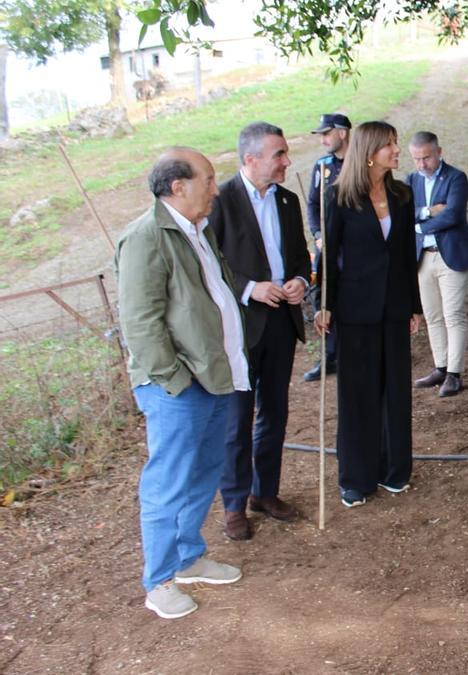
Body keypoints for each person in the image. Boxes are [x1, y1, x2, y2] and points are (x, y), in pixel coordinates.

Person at [115, 147, 247, 619]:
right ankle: (159, 581)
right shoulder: (147, 236)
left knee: (204, 471)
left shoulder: (196, 230)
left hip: (214, 376)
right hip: (178, 386)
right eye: (208, 180)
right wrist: (174, 379)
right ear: (178, 187)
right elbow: (140, 321)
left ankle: (188, 556)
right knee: (168, 482)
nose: (216, 188)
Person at [314, 121, 423, 507]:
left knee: (395, 392)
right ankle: (355, 479)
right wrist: (322, 303)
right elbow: (327, 255)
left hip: (394, 308)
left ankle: (394, 469)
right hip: (354, 310)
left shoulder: (403, 194)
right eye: (390, 145)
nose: (397, 151)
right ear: (370, 151)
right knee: (358, 394)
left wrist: (414, 305)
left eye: (396, 143)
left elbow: (406, 255)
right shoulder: (340, 196)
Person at [209, 121, 309, 540]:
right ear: (251, 160)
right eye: (279, 154)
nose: (287, 161)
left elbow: (301, 254)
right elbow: (209, 265)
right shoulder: (221, 201)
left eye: (285, 153)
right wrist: (250, 288)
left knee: (275, 411)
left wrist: (301, 281)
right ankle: (234, 505)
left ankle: (264, 492)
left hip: (282, 325)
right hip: (239, 330)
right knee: (237, 420)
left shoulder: (287, 200)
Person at [408, 131, 468, 397]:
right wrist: (426, 213)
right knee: (433, 316)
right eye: (416, 159)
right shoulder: (411, 180)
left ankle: (454, 373)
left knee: (453, 315)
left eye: (426, 157)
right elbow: (403, 212)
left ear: (439, 152)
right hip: (423, 257)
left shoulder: (456, 177)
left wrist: (415, 227)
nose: (421, 164)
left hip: (451, 254)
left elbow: (452, 215)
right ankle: (440, 366)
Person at [303, 113, 351, 382]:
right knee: (324, 294)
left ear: (342, 133)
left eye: (326, 134)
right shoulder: (322, 167)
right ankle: (330, 355)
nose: (323, 140)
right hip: (328, 245)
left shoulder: (364, 163)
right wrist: (318, 234)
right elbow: (312, 204)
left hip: (354, 246)